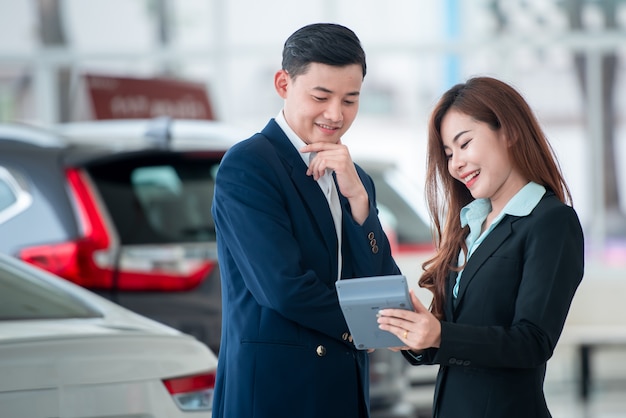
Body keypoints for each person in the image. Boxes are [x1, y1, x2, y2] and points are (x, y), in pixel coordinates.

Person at [211, 23, 400, 418]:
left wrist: (359, 202)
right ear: (283, 83)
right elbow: (284, 289)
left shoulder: (356, 177)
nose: (336, 114)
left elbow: (380, 279)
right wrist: (364, 330)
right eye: (321, 96)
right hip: (277, 393)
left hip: (342, 390)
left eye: (350, 99)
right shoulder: (249, 165)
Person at [377, 76, 584, 417]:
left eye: (464, 143)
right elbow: (459, 337)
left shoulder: (551, 222)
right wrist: (417, 337)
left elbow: (532, 343)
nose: (455, 163)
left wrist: (441, 335)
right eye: (448, 153)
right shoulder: (470, 224)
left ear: (509, 131)